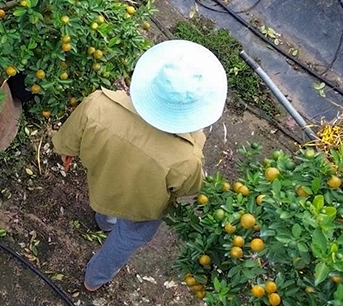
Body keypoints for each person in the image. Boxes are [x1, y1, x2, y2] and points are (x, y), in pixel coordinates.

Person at [51, 39, 227, 293]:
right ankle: (95, 278)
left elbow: (69, 140)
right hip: (142, 206)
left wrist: (66, 151)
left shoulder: (99, 104)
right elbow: (186, 189)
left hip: (104, 179)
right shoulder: (186, 158)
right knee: (128, 237)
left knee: (108, 197)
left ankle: (104, 220)